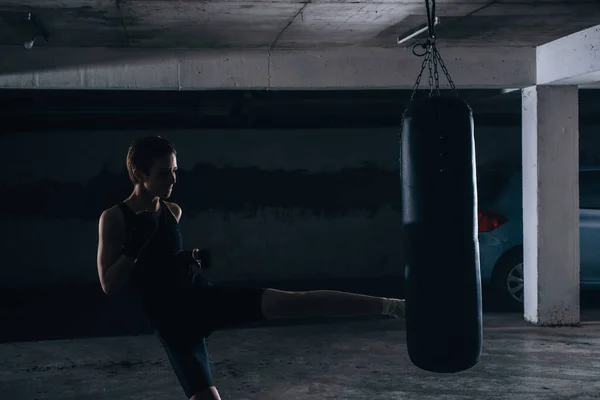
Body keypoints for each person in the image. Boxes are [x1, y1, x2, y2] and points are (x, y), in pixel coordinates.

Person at [96, 135, 405, 400]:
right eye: (165, 173)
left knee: (295, 302)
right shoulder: (114, 218)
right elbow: (109, 284)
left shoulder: (172, 211)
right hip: (171, 322)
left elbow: (162, 264)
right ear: (139, 174)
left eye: (175, 170)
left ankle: (393, 307)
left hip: (201, 298)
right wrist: (133, 249)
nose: (174, 180)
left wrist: (188, 258)